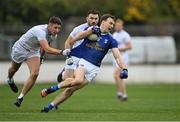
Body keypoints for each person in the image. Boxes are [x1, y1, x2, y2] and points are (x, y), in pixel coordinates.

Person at [40, 14, 128, 113]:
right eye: (110, 23)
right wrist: (90, 31)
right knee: (77, 80)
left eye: (113, 24)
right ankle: (51, 89)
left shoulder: (111, 40)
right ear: (103, 22)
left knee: (71, 90)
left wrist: (124, 69)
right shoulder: (91, 29)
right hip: (84, 61)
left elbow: (118, 56)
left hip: (94, 68)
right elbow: (77, 37)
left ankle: (49, 107)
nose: (112, 26)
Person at [7, 16, 70, 107]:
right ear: (49, 25)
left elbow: (45, 46)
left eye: (59, 28)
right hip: (20, 48)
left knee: (35, 73)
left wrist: (41, 57)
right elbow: (47, 48)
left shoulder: (53, 35)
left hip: (33, 51)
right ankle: (9, 79)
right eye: (55, 27)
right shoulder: (40, 31)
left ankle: (21, 97)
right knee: (14, 68)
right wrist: (62, 52)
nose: (57, 30)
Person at [57, 9, 100, 82]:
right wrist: (68, 56)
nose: (94, 21)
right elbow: (68, 42)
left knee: (78, 80)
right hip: (76, 56)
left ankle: (64, 74)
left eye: (96, 19)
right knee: (69, 80)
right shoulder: (79, 29)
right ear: (87, 18)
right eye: (91, 18)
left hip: (87, 58)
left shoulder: (100, 30)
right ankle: (64, 75)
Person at [112, 19, 132, 101]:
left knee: (116, 75)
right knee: (119, 77)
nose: (117, 27)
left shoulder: (125, 35)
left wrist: (120, 48)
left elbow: (130, 46)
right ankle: (122, 94)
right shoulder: (114, 34)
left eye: (119, 25)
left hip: (123, 57)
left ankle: (122, 93)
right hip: (116, 58)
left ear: (122, 26)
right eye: (116, 25)